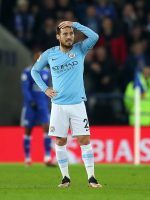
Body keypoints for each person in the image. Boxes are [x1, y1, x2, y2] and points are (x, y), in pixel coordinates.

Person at [31, 21, 101, 188]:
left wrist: (75, 24)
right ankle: (65, 178)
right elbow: (35, 71)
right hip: (58, 105)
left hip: (77, 104)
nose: (69, 36)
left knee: (84, 140)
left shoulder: (80, 49)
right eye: (65, 34)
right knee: (60, 141)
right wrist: (45, 89)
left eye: (71, 34)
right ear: (58, 37)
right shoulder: (49, 54)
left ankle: (91, 178)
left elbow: (95, 36)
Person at [21, 52, 54, 166]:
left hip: (43, 105)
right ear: (33, 59)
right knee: (28, 130)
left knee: (47, 128)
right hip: (31, 106)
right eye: (37, 57)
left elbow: (50, 87)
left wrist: (50, 102)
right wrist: (31, 101)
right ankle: (27, 158)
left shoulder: (47, 72)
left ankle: (47, 157)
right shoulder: (27, 71)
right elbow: (25, 89)